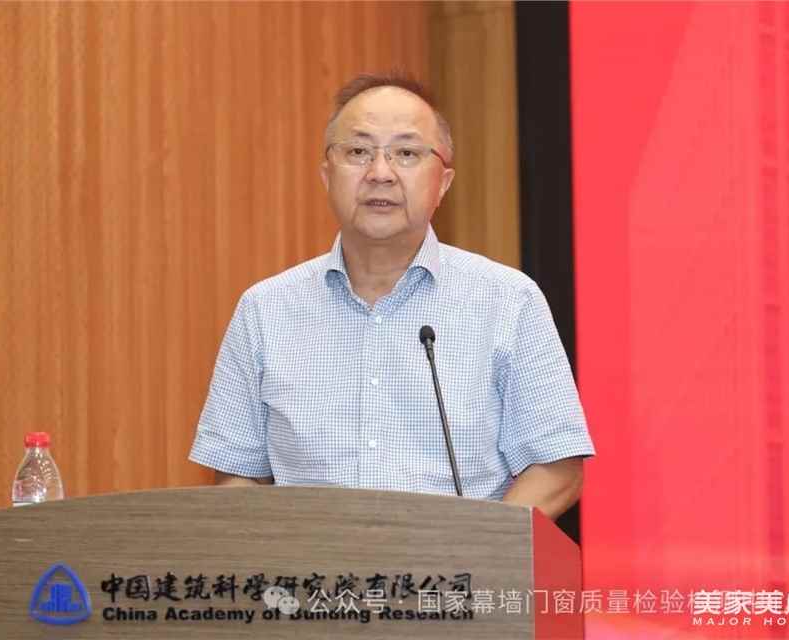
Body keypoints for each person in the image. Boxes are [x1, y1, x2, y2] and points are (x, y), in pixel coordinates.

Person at [188, 73, 594, 520]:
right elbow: (237, 473)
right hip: (312, 564)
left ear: (443, 181)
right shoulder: (265, 310)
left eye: (406, 153)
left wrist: (477, 548)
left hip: (457, 563)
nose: (380, 174)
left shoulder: (508, 301)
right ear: (326, 175)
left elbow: (557, 468)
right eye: (358, 152)